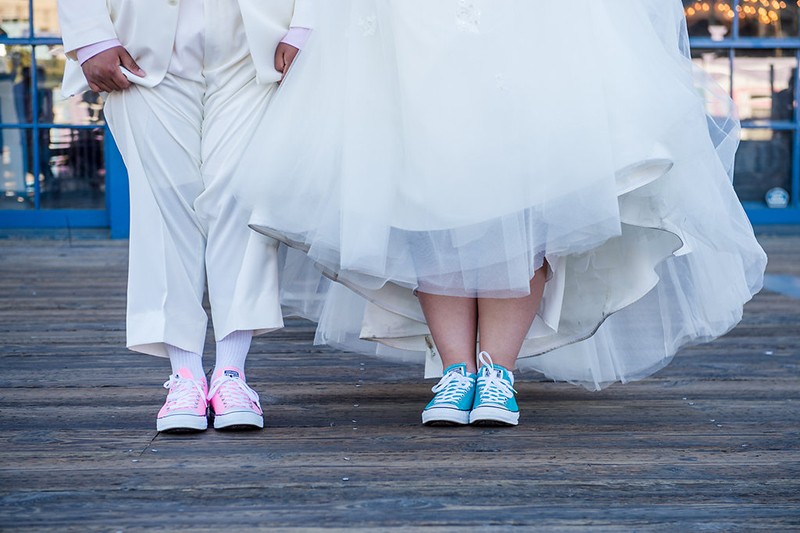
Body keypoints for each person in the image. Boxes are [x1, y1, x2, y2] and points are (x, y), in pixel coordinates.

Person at [232, 0, 768, 427]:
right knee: (422, 173)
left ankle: (497, 372)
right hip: (407, 17)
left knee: (527, 180)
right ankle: (456, 370)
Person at [58, 0, 314, 432]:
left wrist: (309, 23)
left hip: (257, 39)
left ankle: (231, 374)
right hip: (139, 42)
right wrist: (89, 36)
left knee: (241, 198)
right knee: (164, 204)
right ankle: (186, 376)